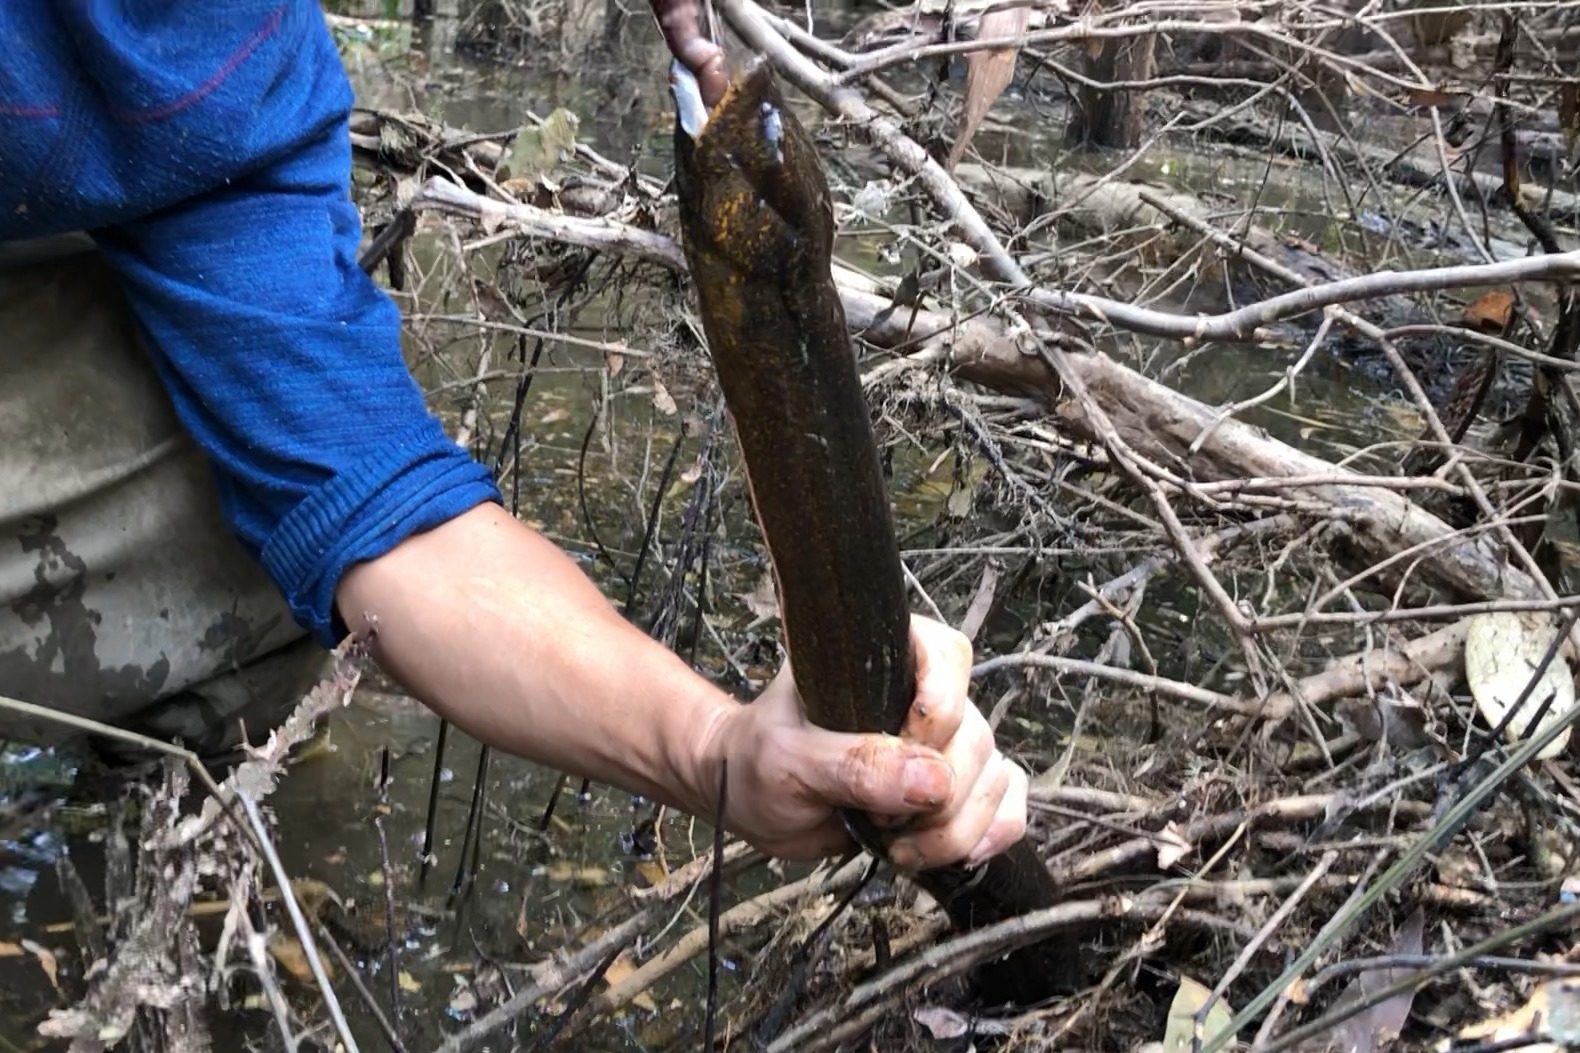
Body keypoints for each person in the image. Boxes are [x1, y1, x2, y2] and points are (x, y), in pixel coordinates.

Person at [0, 1, 1028, 872]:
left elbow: (365, 500)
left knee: (244, 514)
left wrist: (719, 748)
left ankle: (157, 871)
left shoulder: (203, 51)